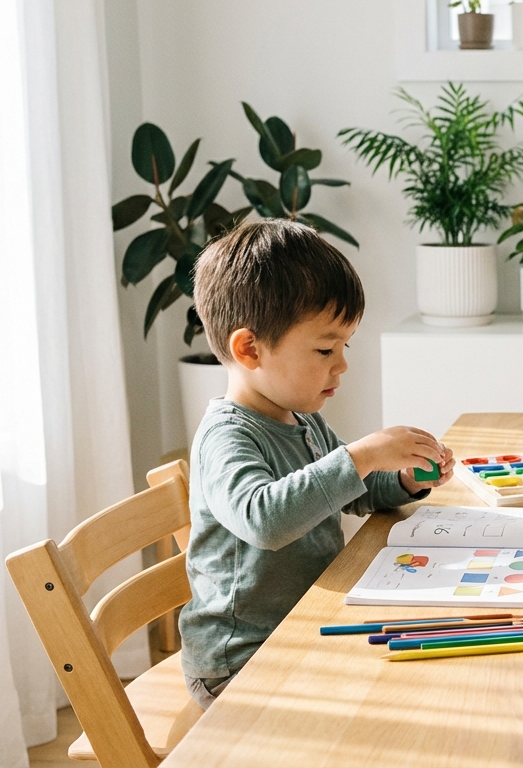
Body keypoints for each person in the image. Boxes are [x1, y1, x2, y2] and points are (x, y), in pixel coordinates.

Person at [178, 220, 456, 709]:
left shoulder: (301, 420)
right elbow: (264, 520)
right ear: (249, 349)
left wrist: (405, 479)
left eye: (344, 346)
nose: (342, 363)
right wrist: (363, 453)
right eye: (326, 348)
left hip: (307, 620)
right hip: (242, 658)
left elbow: (359, 490)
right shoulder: (226, 437)